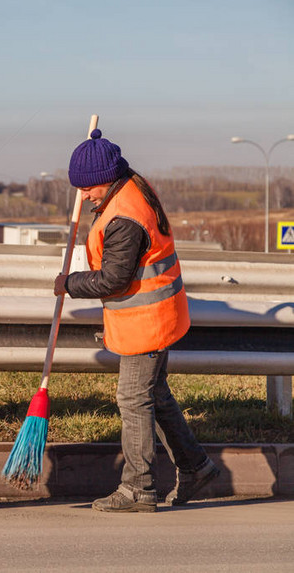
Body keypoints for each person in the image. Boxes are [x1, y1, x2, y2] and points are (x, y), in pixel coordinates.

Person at [54, 129, 219, 513]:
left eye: (87, 187)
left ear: (105, 178)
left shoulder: (124, 216)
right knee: (154, 397)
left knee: (132, 398)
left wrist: (68, 283)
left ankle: (138, 489)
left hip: (148, 322)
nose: (84, 195)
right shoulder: (130, 187)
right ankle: (197, 467)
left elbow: (113, 279)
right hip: (155, 316)